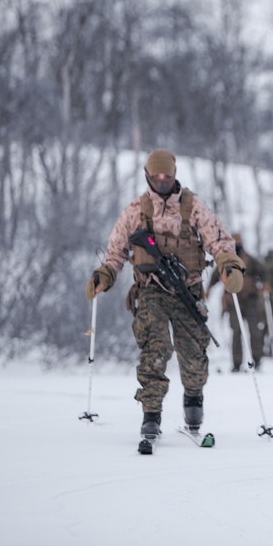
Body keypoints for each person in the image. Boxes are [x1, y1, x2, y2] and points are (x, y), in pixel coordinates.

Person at [85, 148, 243, 441]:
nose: (161, 180)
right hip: (150, 290)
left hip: (189, 289)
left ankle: (193, 400)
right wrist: (105, 274)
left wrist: (228, 265)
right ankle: (151, 415)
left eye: (166, 175)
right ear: (147, 175)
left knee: (194, 355)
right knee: (155, 350)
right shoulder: (136, 209)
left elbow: (219, 240)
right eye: (155, 176)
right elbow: (117, 250)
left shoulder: (193, 206)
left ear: (174, 175)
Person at [209, 234, 267, 372]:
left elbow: (263, 272)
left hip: (251, 300)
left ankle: (257, 360)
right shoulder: (226, 260)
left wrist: (265, 284)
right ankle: (236, 363)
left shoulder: (251, 260)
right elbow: (216, 275)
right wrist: (208, 289)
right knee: (236, 331)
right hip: (234, 301)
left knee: (255, 331)